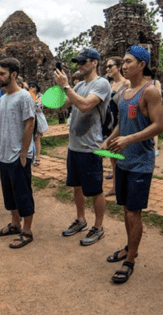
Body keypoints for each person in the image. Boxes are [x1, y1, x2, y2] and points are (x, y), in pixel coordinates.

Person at [103, 46, 163, 284]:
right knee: (125, 209)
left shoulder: (150, 92)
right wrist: (109, 139)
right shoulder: (124, 94)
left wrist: (129, 139)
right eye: (123, 62)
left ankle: (130, 260)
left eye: (128, 62)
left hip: (141, 162)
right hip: (123, 161)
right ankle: (130, 247)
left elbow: (158, 126)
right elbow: (121, 124)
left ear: (141, 64)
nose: (124, 66)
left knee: (133, 212)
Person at [53, 48, 110, 247]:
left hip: (90, 147)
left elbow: (85, 106)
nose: (79, 65)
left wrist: (66, 86)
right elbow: (62, 106)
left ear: (94, 63)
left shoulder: (101, 84)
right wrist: (59, 90)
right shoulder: (78, 85)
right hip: (74, 146)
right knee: (77, 186)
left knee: (95, 190)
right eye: (78, 62)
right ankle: (81, 219)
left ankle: (99, 226)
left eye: (83, 62)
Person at [0, 58, 36, 248]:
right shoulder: (2, 99)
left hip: (18, 154)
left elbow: (29, 125)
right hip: (4, 154)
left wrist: (24, 153)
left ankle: (27, 231)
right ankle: (15, 224)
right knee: (9, 193)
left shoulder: (24, 97)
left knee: (23, 193)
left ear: (13, 75)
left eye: (2, 74)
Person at [105, 56, 129, 194]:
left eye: (110, 66)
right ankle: (115, 186)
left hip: (122, 123)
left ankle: (126, 184)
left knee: (123, 155)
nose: (107, 69)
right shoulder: (110, 85)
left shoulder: (127, 83)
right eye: (106, 67)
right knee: (113, 155)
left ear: (119, 67)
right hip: (110, 123)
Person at [28, 82, 47, 167]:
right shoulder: (27, 95)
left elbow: (38, 106)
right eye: (30, 86)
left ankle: (37, 157)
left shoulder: (40, 96)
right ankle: (31, 157)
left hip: (38, 119)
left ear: (36, 87)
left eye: (33, 86)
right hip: (29, 118)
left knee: (37, 138)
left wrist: (32, 100)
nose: (31, 88)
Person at [145, 69, 163, 156]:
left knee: (154, 127)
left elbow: (158, 94)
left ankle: (155, 148)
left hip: (154, 107)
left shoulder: (155, 82)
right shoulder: (143, 83)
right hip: (145, 108)